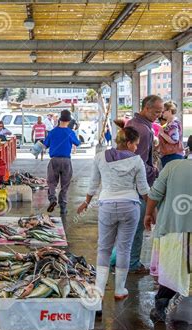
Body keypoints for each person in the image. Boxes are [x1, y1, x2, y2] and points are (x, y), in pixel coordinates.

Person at [77, 126, 149, 301]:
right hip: (130, 206)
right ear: (129, 142)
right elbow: (144, 189)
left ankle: (99, 290)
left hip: (107, 206)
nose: (136, 148)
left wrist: (86, 202)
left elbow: (93, 183)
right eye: (135, 144)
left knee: (104, 248)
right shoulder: (137, 160)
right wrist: (151, 210)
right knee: (124, 248)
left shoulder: (100, 157)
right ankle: (119, 290)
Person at [110, 95, 164, 274]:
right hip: (137, 188)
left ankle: (118, 260)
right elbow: (137, 163)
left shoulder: (133, 124)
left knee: (127, 227)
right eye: (156, 112)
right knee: (138, 227)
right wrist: (154, 171)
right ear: (146, 108)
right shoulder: (143, 130)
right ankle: (132, 264)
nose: (159, 115)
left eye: (161, 112)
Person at [145, 159, 192, 322]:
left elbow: (154, 193)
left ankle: (160, 307)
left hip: (173, 229)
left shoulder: (173, 166)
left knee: (172, 270)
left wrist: (148, 214)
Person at [43, 109, 81, 215]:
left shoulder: (53, 132)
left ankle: (52, 199)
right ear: (68, 121)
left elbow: (45, 145)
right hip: (66, 161)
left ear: (59, 120)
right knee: (65, 185)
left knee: (51, 183)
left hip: (54, 160)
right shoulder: (70, 132)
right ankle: (63, 207)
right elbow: (78, 143)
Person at [158, 101, 184, 167]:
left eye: (163, 111)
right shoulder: (169, 124)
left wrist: (162, 133)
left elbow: (174, 140)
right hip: (170, 155)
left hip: (173, 156)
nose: (161, 113)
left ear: (169, 111)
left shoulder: (174, 124)